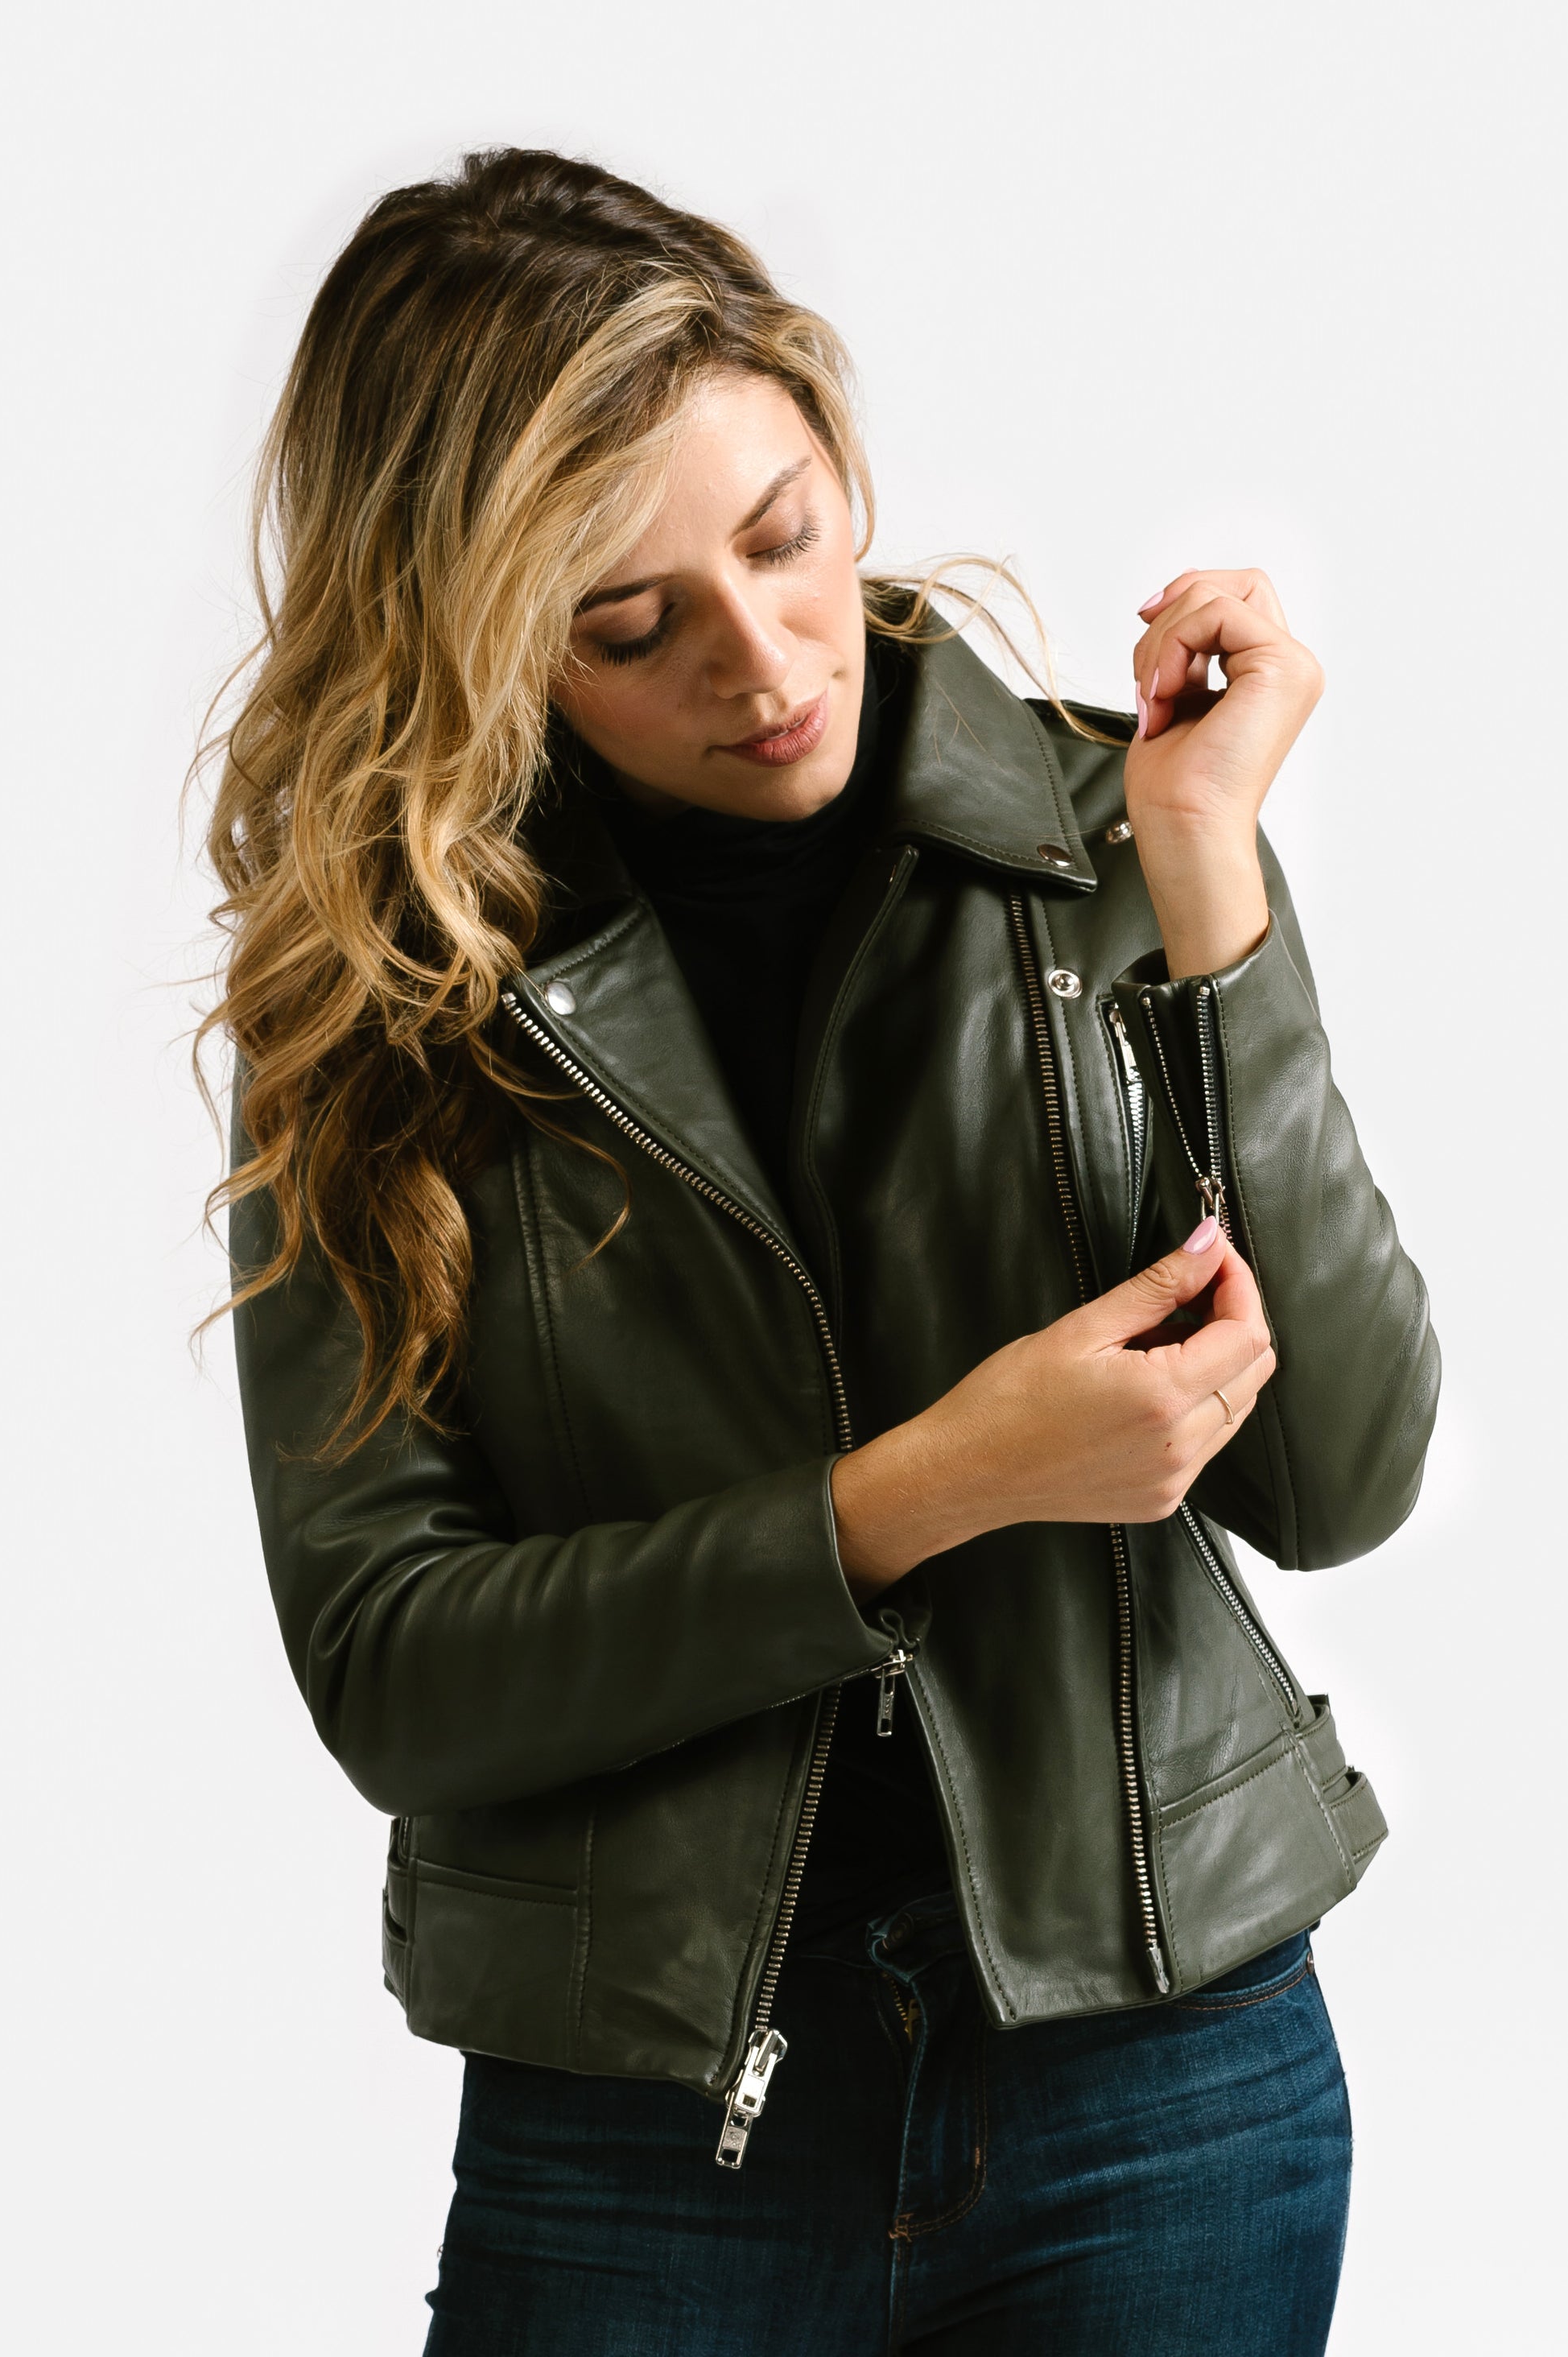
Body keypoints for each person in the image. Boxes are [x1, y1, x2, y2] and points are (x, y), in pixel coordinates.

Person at [204, 147, 1438, 2355]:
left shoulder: (1112, 837)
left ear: (838, 459)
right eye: (626, 625)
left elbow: (1335, 1476)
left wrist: (1204, 877)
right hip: (643, 2136)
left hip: (1163, 2088)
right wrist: (924, 1490)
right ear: (476, 637)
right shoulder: (382, 1018)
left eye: (781, 538)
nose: (765, 661)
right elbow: (397, 1669)